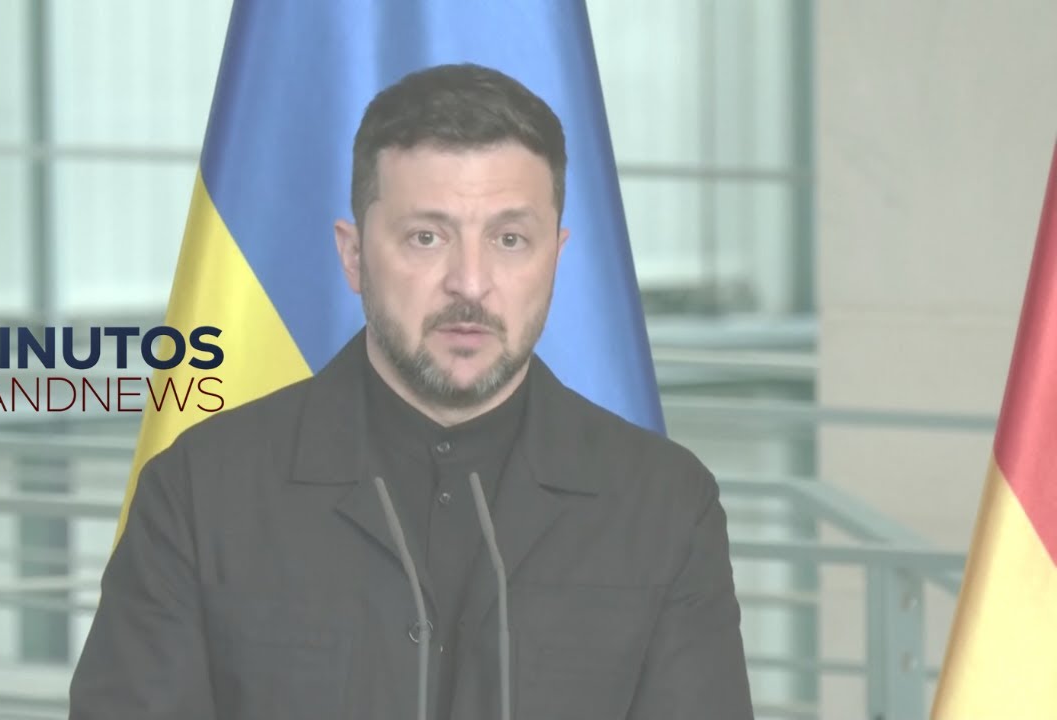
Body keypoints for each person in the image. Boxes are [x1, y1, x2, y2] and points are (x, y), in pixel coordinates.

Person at [69, 62, 753, 720]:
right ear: (354, 256)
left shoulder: (666, 504)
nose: (470, 283)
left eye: (510, 240)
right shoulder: (199, 491)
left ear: (556, 256)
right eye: (427, 237)